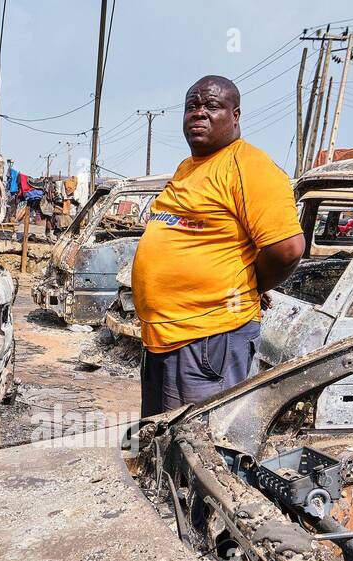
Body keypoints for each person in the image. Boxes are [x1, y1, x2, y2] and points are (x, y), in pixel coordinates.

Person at [131, 75, 305, 417]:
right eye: (191, 107)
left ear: (235, 116)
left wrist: (248, 285)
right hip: (166, 338)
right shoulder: (189, 167)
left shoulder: (249, 165)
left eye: (211, 106)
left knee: (199, 445)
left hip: (209, 339)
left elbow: (287, 249)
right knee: (160, 441)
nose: (199, 113)